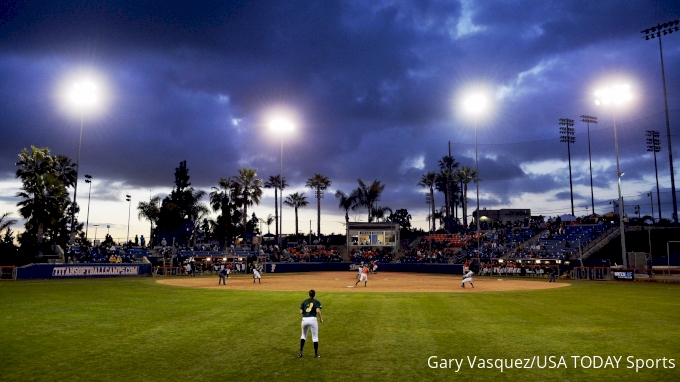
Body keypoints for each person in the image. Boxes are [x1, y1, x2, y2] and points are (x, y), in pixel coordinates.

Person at [299, 289, 323, 358]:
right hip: (312, 319)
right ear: (314, 294)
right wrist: (321, 318)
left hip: (304, 320)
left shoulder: (304, 301)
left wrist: (306, 313)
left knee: (303, 335)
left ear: (309, 294)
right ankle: (316, 354)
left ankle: (300, 352)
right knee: (315, 337)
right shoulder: (316, 302)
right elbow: (318, 311)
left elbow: (301, 312)